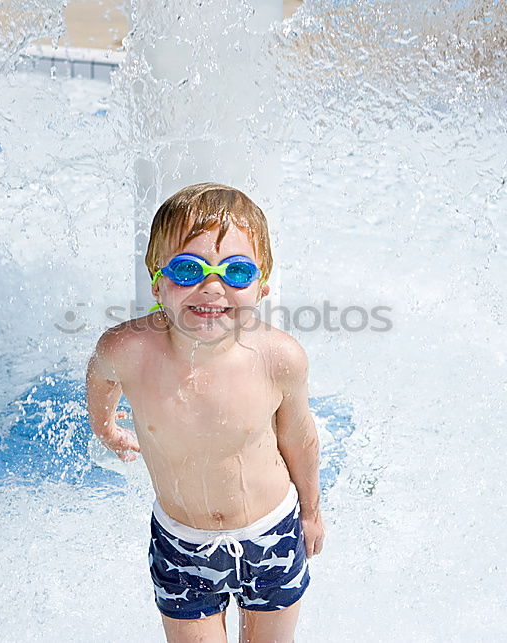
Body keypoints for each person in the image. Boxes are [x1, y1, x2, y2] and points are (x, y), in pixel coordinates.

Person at [86, 182, 324, 642]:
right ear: (157, 282)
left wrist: (312, 512)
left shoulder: (279, 358)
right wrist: (106, 426)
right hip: (183, 544)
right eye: (188, 268)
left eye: (235, 272)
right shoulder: (128, 351)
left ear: (261, 286)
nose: (211, 287)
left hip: (271, 530)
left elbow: (300, 438)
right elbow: (100, 375)